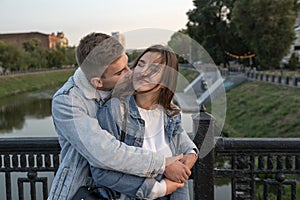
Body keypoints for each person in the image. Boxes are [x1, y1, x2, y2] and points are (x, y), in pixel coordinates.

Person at [48, 33, 191, 200]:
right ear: (98, 82)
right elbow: (105, 152)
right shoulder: (67, 101)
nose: (130, 73)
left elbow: (165, 114)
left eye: (128, 63)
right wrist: (162, 165)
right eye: (120, 71)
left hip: (128, 190)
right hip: (87, 191)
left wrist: (190, 151)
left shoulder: (127, 83)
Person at [90, 45, 198, 199]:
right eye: (140, 64)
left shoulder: (170, 113)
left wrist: (192, 154)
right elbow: (101, 172)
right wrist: (156, 187)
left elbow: (182, 142)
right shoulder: (115, 110)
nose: (143, 72)